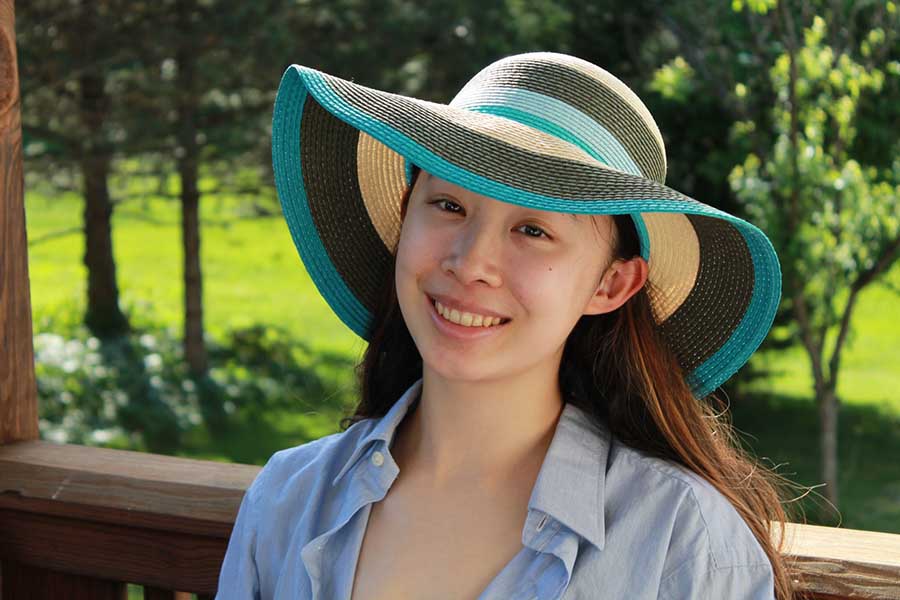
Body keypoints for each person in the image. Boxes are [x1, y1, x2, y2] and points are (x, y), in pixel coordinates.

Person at [216, 52, 799, 599]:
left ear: (610, 285)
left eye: (533, 230)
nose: (469, 263)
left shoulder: (685, 541)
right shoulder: (288, 500)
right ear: (404, 218)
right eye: (449, 206)